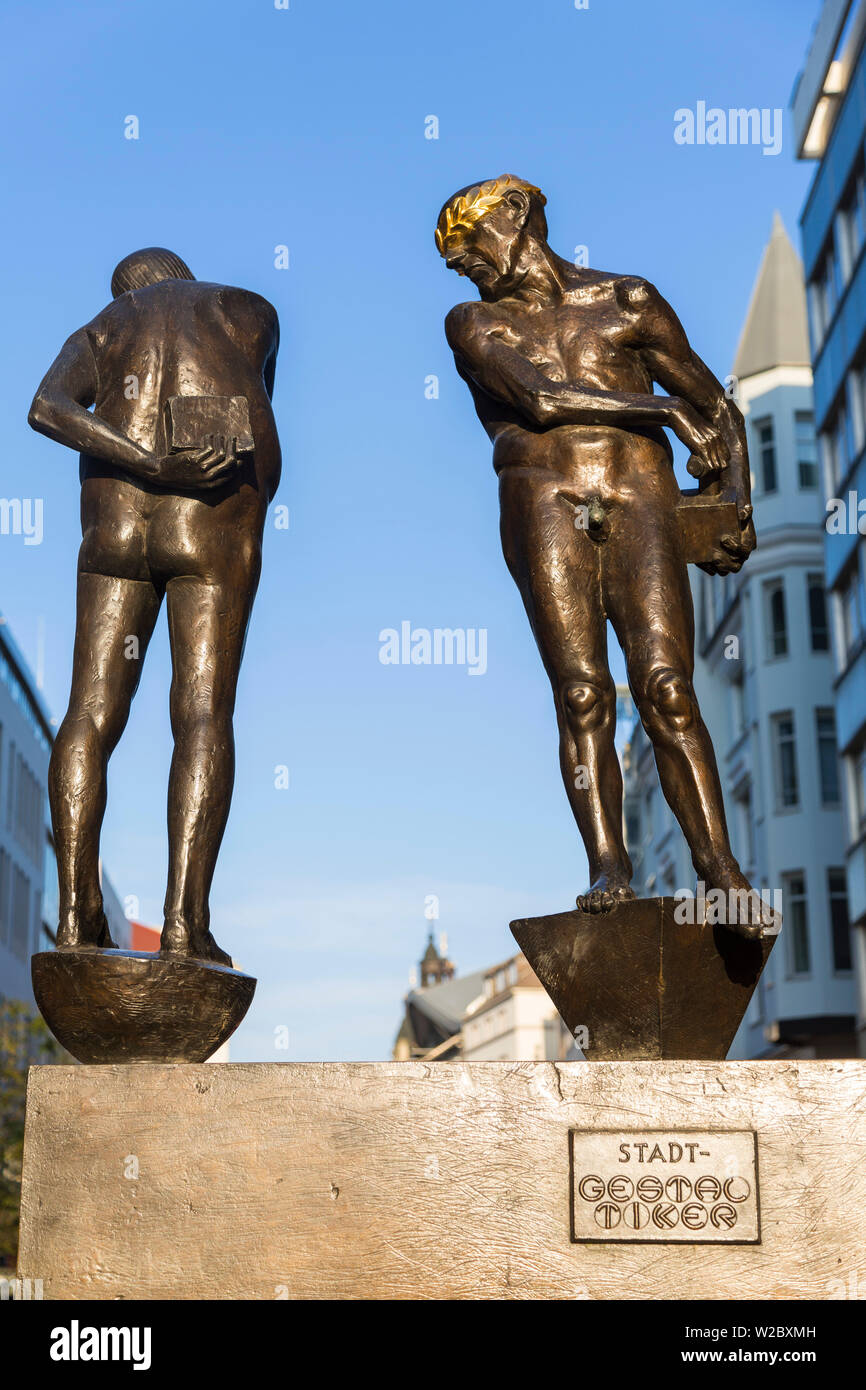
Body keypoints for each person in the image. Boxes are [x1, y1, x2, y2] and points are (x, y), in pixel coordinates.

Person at [437, 176, 765, 938]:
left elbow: (719, 407)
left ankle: (719, 868)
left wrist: (735, 504)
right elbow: (543, 402)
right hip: (543, 499)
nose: (460, 265)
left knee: (667, 688)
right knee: (583, 695)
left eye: (467, 242)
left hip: (639, 495)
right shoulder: (474, 323)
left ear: (516, 215)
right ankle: (609, 865)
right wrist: (661, 409)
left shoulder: (628, 301)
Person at [29, 247, 280, 963]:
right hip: (211, 519)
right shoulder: (247, 308)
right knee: (202, 711)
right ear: (181, 275)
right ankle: (184, 924)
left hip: (115, 520)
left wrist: (140, 463)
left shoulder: (102, 329)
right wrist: (175, 465)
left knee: (89, 712)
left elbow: (46, 407)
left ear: (127, 291)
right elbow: (257, 420)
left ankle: (78, 916)